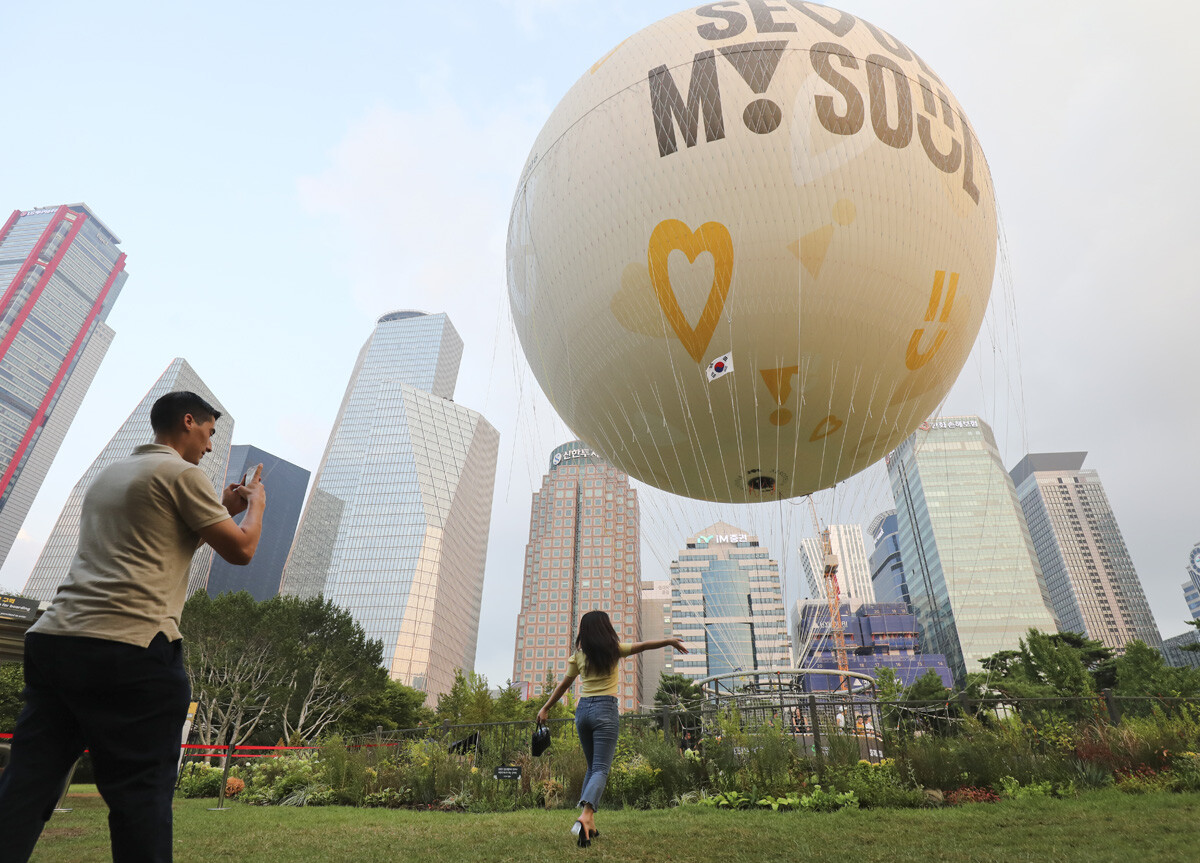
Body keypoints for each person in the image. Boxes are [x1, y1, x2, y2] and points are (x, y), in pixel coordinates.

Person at [0, 391, 266, 863]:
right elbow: (241, 550)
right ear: (188, 422)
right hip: (130, 646)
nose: (208, 446)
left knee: (25, 786)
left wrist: (218, 508)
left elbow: (155, 547)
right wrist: (257, 504)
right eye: (208, 432)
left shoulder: (112, 474)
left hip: (55, 639)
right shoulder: (185, 474)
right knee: (140, 795)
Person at [537, 610, 686, 848]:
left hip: (583, 711)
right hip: (605, 710)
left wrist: (545, 708)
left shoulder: (578, 656)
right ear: (605, 629)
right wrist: (668, 641)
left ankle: (590, 828)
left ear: (584, 632)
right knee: (601, 769)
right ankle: (585, 814)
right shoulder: (614, 650)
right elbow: (645, 645)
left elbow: (564, 685)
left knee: (592, 768)